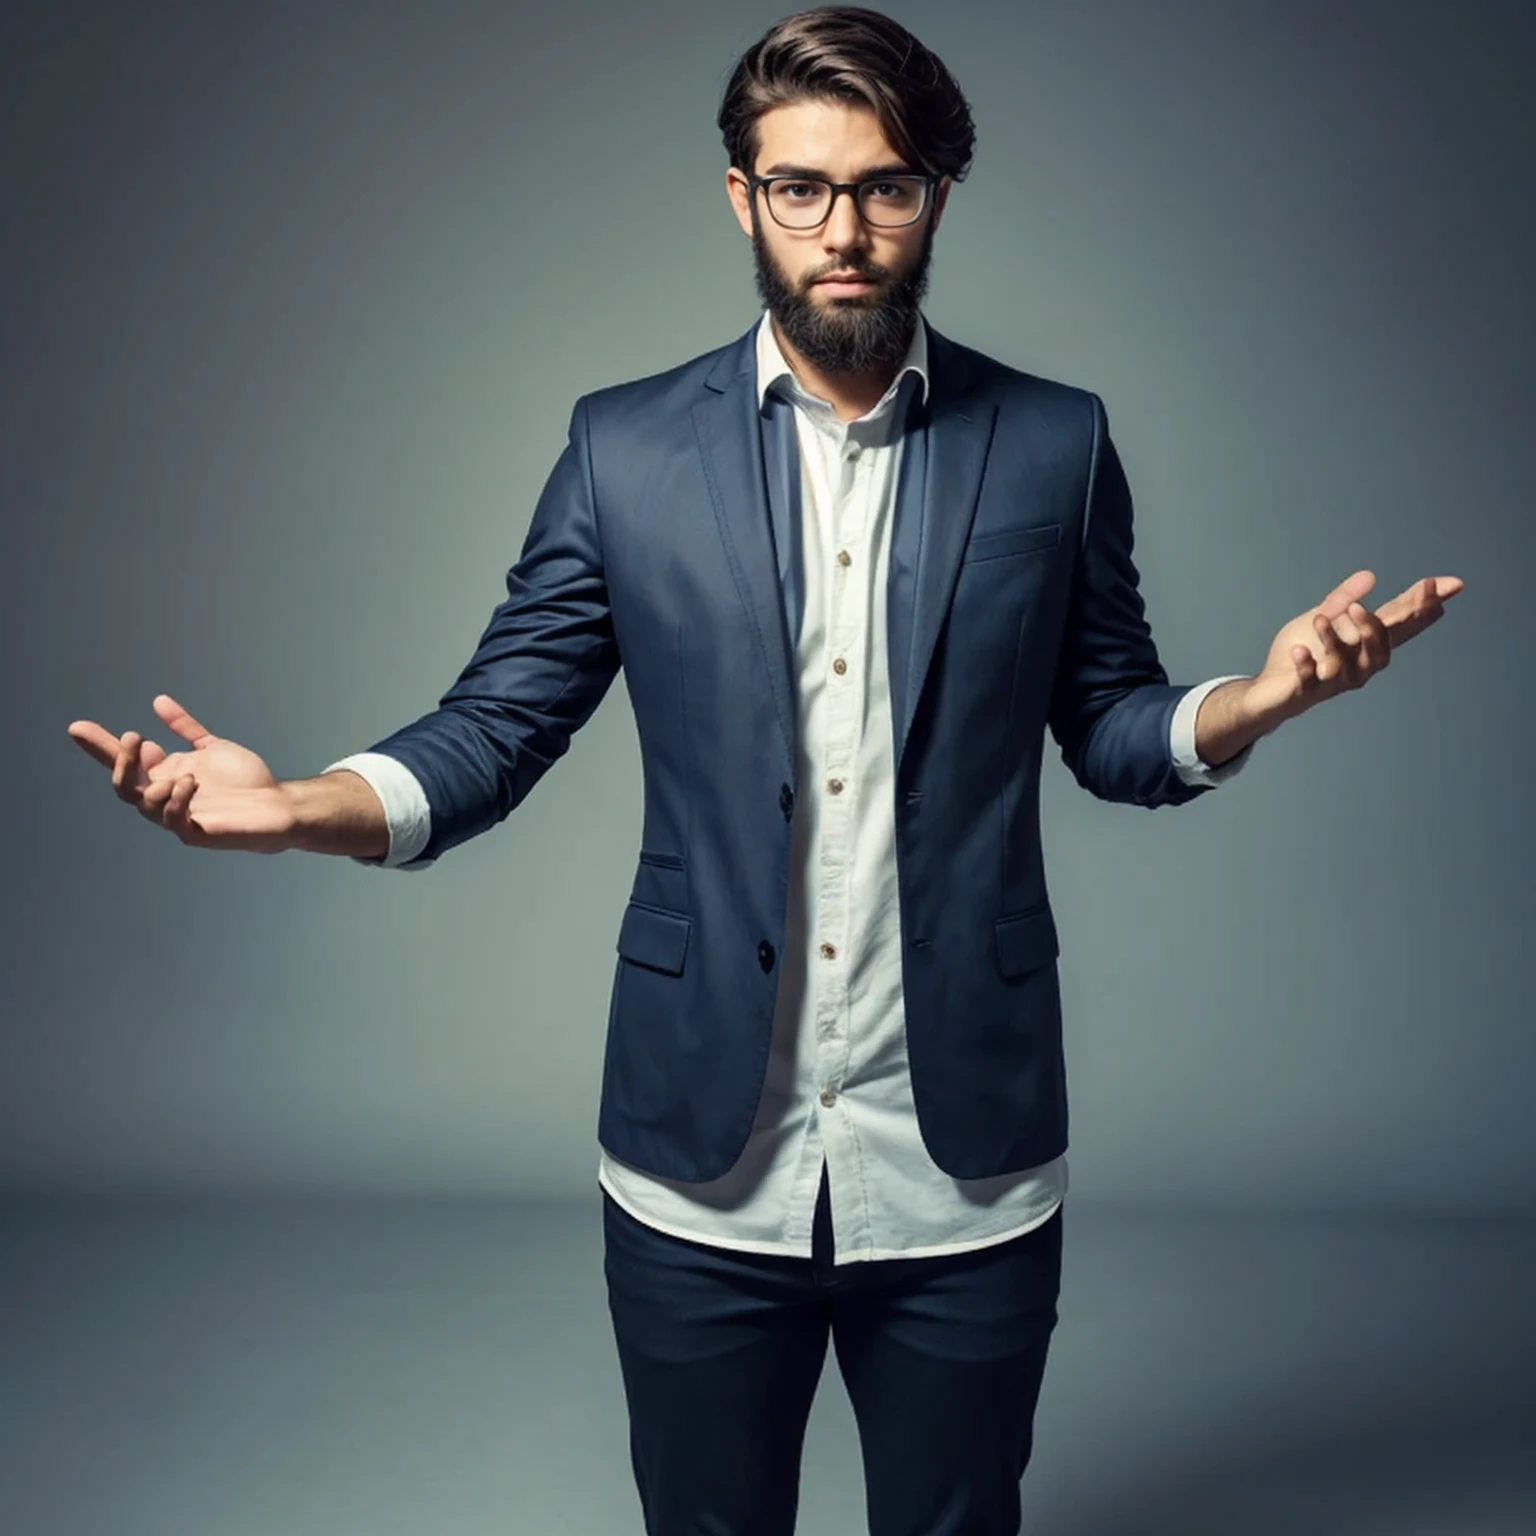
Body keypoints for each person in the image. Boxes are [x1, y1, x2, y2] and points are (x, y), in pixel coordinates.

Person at [67, 8, 1464, 1533]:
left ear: (937, 194)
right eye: (800, 187)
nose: (844, 230)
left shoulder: (1056, 446)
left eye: (885, 186)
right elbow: (493, 730)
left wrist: (1250, 704)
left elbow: (1113, 727)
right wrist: (293, 812)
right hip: (696, 1156)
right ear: (742, 197)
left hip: (965, 1161)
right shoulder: (624, 454)